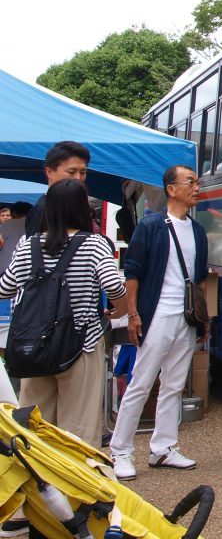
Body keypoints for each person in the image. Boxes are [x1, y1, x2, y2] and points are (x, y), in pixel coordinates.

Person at [0, 180, 127, 448]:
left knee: (33, 430)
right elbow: (113, 284)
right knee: (78, 434)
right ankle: (76, 487)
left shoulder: (29, 243)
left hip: (33, 346)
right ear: (82, 208)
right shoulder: (93, 244)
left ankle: (40, 485)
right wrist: (122, 308)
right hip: (80, 346)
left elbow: (5, 288)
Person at [109, 165, 208, 482]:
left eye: (197, 182)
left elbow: (200, 279)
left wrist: (204, 319)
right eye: (190, 182)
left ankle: (163, 447)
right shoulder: (151, 226)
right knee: (141, 382)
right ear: (171, 189)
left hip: (186, 317)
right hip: (157, 315)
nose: (196, 187)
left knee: (175, 384)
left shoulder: (198, 231)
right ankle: (121, 450)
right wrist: (134, 315)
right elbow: (133, 275)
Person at [24, 141, 91, 236]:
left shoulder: (77, 206)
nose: (78, 178)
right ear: (49, 171)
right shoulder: (42, 210)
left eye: (83, 172)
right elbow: (33, 249)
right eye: (71, 172)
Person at [0, 202, 32, 353]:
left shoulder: (8, 225)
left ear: (14, 213)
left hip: (6, 272)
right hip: (27, 275)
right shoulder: (34, 226)